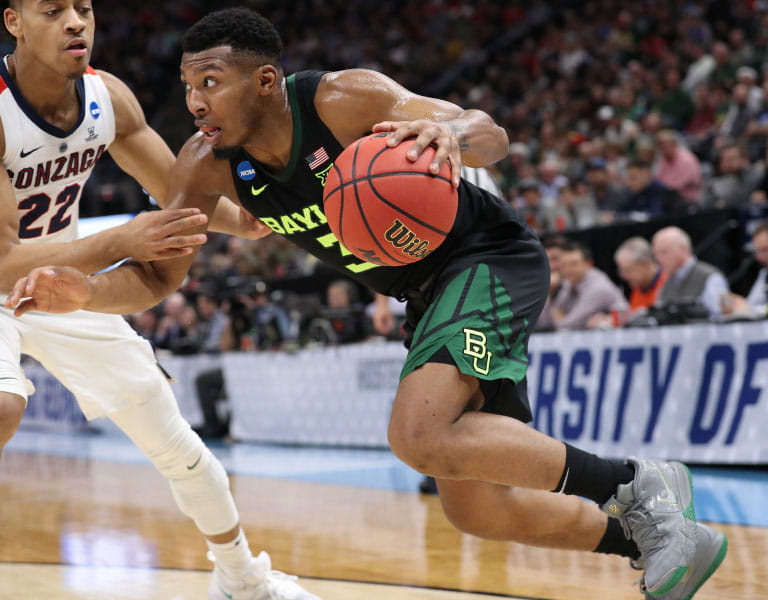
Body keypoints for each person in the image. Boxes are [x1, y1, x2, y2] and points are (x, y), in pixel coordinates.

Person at [8, 8, 727, 599]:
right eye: (189, 84)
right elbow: (164, 279)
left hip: (483, 259)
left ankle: (637, 486)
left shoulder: (343, 98)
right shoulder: (205, 165)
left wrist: (451, 133)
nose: (194, 102)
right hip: (424, 293)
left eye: (211, 82)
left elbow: (491, 133)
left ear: (264, 81)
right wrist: (92, 293)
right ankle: (651, 535)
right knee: (479, 508)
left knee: (415, 433)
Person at [0, 3, 317, 599]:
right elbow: (2, 263)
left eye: (84, 9)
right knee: (4, 405)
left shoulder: (108, 98)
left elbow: (175, 189)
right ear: (14, 21)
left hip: (59, 279)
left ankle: (242, 579)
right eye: (53, 10)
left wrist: (242, 223)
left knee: (175, 443)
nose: (76, 23)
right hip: (7, 269)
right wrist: (122, 238)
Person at [652, 226, 729, 319]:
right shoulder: (665, 283)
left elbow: (721, 318)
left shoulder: (710, 277)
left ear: (683, 249)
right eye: (656, 254)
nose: (659, 259)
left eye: (664, 252)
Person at [547, 241, 628, 330]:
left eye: (574, 264)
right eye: (564, 265)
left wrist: (557, 314)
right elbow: (544, 321)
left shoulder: (598, 288)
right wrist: (549, 292)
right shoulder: (570, 283)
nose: (567, 269)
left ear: (588, 264)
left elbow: (568, 325)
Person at [587, 237, 666, 329]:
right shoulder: (638, 288)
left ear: (645, 264)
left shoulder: (667, 284)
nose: (624, 276)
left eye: (628, 270)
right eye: (621, 271)